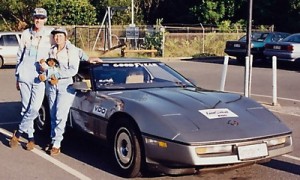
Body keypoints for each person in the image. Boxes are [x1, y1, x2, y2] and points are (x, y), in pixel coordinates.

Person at [10, 8, 53, 150]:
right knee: (25, 107)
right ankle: (31, 138)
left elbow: (57, 52)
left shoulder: (50, 35)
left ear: (45, 19)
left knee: (34, 108)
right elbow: (19, 55)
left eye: (41, 18)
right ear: (33, 18)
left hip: (39, 77)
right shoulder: (26, 34)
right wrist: (17, 76)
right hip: (25, 74)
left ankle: (18, 132)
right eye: (36, 17)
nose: (38, 20)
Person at [46, 27, 80, 156]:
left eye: (60, 35)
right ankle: (52, 138)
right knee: (53, 113)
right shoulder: (51, 50)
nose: (57, 38)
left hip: (66, 84)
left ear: (65, 37)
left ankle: (57, 144)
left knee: (61, 114)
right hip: (51, 84)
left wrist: (57, 74)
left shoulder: (71, 51)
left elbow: (73, 70)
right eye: (55, 35)